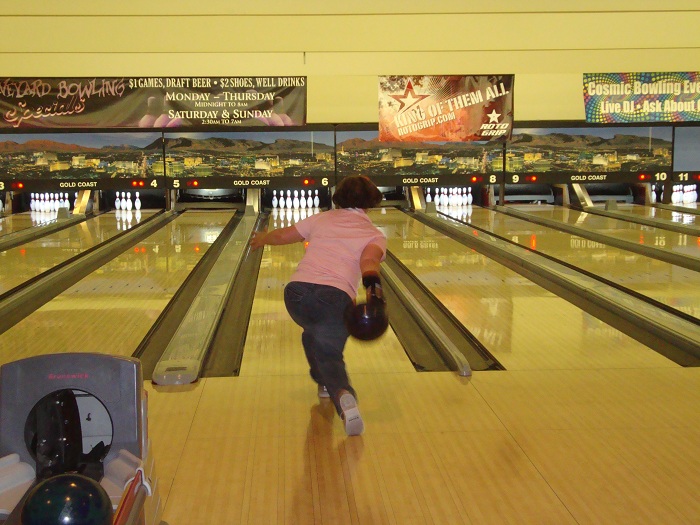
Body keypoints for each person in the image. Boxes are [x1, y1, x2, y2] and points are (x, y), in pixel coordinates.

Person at [249, 176, 386, 435]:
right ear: (370, 204)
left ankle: (322, 382)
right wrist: (375, 298)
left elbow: (285, 235)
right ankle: (344, 395)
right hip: (334, 300)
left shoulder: (321, 218)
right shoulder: (374, 235)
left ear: (338, 198)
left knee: (312, 333)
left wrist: (263, 238)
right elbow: (369, 264)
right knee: (329, 352)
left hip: (296, 294)